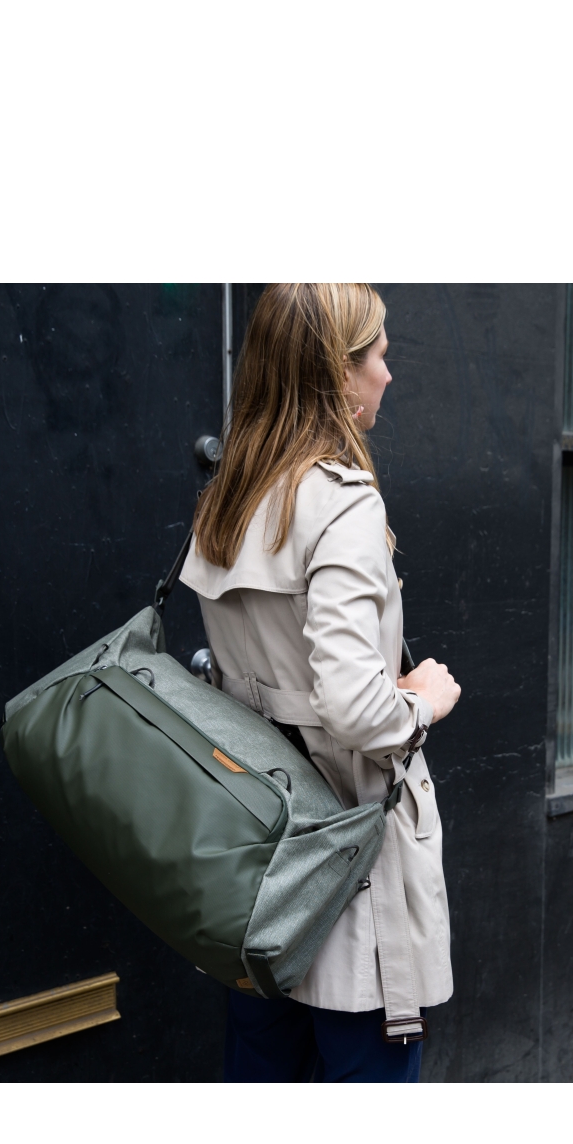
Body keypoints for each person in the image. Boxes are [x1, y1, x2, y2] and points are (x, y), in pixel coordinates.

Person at [180, 284, 461, 1082]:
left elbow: (265, 679)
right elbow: (351, 705)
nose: (387, 374)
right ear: (338, 372)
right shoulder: (341, 504)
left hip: (261, 875)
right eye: (378, 355)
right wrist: (423, 701)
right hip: (351, 871)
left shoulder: (229, 498)